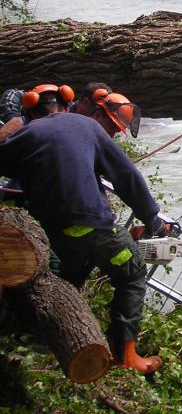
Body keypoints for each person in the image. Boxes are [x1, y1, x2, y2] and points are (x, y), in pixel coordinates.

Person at [0, 83, 164, 374]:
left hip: (52, 232)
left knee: (68, 275)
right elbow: (126, 176)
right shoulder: (87, 127)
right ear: (68, 103)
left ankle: (39, 339)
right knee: (133, 275)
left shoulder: (24, 134)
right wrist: (153, 219)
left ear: (31, 110)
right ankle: (127, 354)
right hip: (92, 224)